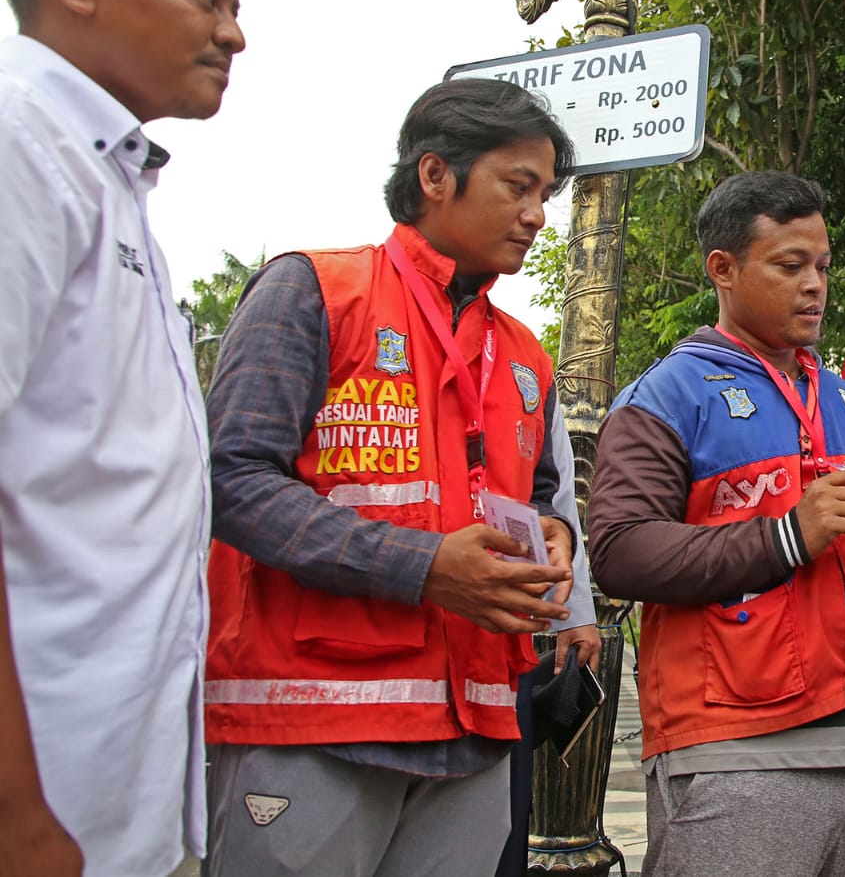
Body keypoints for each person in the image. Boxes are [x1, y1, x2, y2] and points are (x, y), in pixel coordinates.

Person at [203, 78, 600, 876]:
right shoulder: (311, 288)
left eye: (546, 193)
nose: (537, 215)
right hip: (314, 716)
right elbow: (231, 480)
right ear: (433, 176)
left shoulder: (525, 352)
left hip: (478, 724)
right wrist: (423, 567)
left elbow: (543, 499)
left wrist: (553, 538)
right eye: (518, 186)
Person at [586, 171, 845, 877]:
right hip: (730, 748)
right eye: (789, 266)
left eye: (822, 266)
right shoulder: (666, 395)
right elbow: (620, 552)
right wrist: (786, 534)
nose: (814, 284)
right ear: (723, 268)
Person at [0, 0, 245, 876]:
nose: (234, 31)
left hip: (117, 810)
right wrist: (18, 815)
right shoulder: (21, 144)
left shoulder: (109, 181)